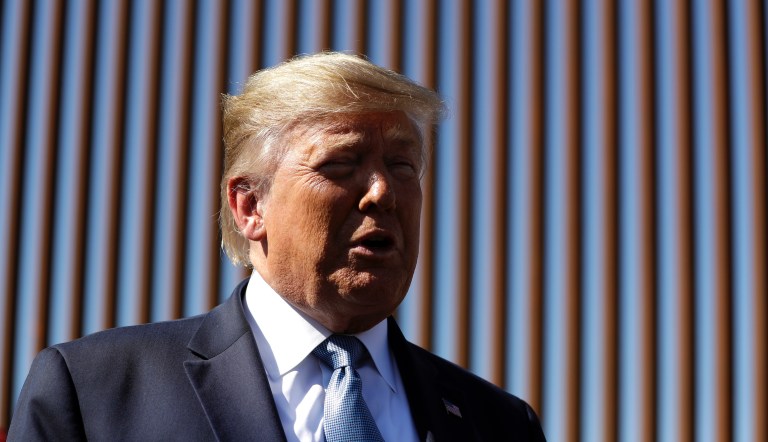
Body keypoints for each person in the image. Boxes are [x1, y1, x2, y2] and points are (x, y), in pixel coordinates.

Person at [8, 52, 546, 441]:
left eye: (402, 166)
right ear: (250, 206)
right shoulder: (91, 391)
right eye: (340, 164)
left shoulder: (499, 423)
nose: (383, 190)